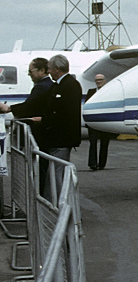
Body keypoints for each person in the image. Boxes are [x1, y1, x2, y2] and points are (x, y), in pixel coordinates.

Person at [0, 54, 82, 197]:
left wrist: (43, 120)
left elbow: (65, 113)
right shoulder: (57, 85)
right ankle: (57, 205)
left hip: (62, 137)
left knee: (57, 174)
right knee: (55, 173)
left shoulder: (69, 85)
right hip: (55, 138)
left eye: (50, 69)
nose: (49, 72)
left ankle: (61, 208)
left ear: (57, 68)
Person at [85, 74, 115, 170]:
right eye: (97, 80)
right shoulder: (91, 92)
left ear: (105, 80)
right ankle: (92, 164)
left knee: (104, 143)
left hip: (105, 122)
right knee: (92, 143)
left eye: (101, 79)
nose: (99, 81)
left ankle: (102, 164)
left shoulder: (109, 91)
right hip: (93, 122)